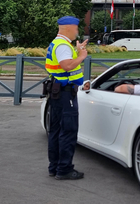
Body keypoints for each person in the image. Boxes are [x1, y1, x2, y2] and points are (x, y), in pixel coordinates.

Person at [45, 16, 89, 181]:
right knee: (68, 131)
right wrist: (82, 56)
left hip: (58, 91)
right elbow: (67, 65)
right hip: (65, 93)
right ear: (69, 27)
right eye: (76, 28)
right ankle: (64, 169)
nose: (78, 31)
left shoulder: (57, 43)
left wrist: (76, 51)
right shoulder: (63, 45)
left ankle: (54, 167)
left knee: (55, 131)